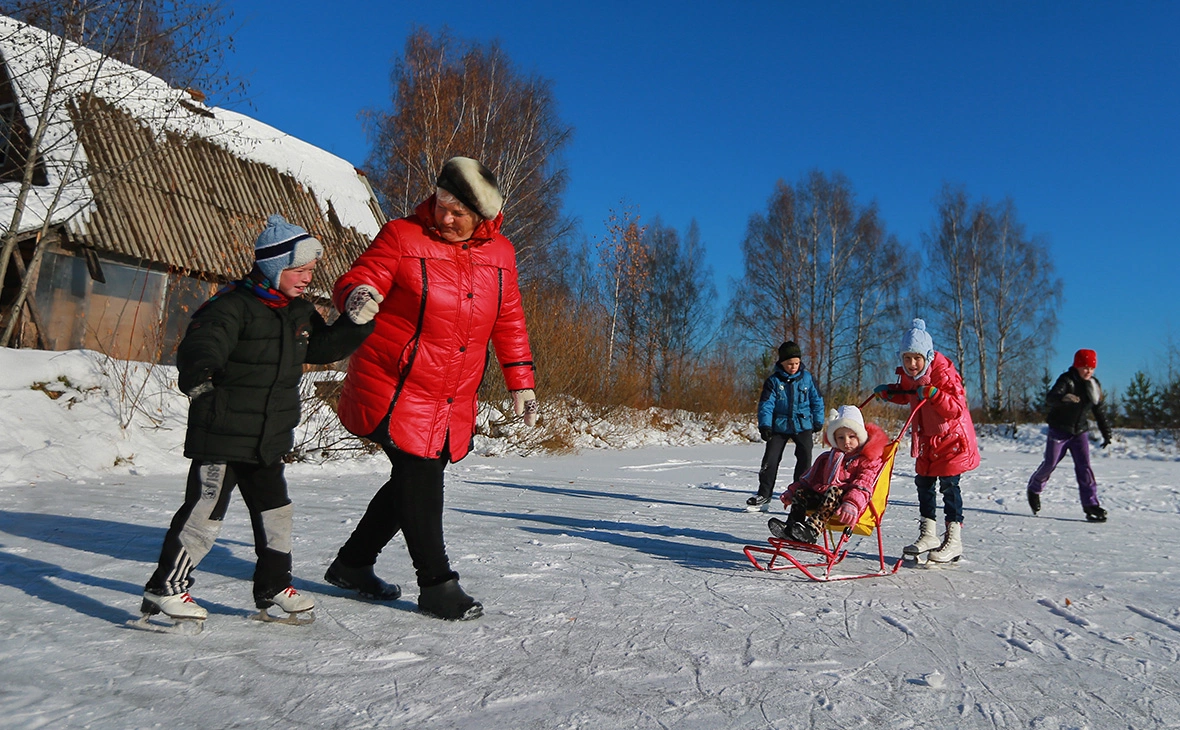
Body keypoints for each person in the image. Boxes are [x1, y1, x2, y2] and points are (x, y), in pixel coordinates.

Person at [324, 157, 537, 621]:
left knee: (415, 478)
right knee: (420, 476)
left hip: (452, 392)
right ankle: (436, 583)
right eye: (441, 203)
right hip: (393, 381)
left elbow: (509, 319)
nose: (444, 217)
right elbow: (360, 277)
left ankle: (353, 563)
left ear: (483, 217)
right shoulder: (403, 236)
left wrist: (521, 380)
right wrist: (357, 296)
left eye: (458, 211)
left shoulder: (501, 255)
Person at [141, 214, 374, 624]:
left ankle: (273, 587)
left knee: (275, 512)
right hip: (224, 431)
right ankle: (166, 588)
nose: (306, 278)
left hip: (267, 435)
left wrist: (354, 323)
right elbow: (202, 345)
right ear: (273, 267)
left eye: (310, 270)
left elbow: (319, 349)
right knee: (204, 512)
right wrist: (200, 379)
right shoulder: (232, 306)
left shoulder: (299, 311)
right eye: (298, 269)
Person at [874, 318, 980, 563]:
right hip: (927, 439)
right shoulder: (910, 375)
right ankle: (929, 534)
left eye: (917, 359)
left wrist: (935, 394)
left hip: (952, 439)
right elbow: (912, 396)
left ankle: (954, 541)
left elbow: (955, 408)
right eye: (907, 358)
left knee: (949, 487)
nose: (912, 364)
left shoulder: (944, 374)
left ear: (928, 357)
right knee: (924, 484)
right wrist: (891, 392)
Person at [767, 404, 887, 543]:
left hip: (845, 503)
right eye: (841, 438)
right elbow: (809, 479)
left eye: (851, 436)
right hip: (823, 498)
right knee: (801, 491)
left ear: (860, 437)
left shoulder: (866, 460)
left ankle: (812, 530)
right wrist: (791, 492)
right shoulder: (828, 458)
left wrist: (852, 503)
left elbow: (863, 485)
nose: (846, 442)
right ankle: (793, 527)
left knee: (834, 491)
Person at [1026, 349, 1111, 522]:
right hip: (1060, 429)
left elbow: (1099, 411)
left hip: (1080, 432)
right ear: (1077, 366)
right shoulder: (1067, 380)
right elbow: (1051, 398)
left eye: (1092, 368)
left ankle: (1090, 505)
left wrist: (1106, 433)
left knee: (1084, 467)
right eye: (1085, 367)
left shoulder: (1093, 385)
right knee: (1050, 463)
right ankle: (1034, 489)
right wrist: (1063, 398)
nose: (1088, 371)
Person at [746, 340, 825, 511]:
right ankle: (764, 496)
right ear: (781, 363)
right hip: (779, 425)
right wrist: (765, 426)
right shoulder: (773, 381)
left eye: (796, 363)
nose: (793, 367)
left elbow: (817, 400)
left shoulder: (807, 378)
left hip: (803, 424)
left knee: (805, 459)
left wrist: (818, 420)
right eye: (790, 364)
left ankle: (800, 496)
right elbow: (766, 404)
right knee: (770, 459)